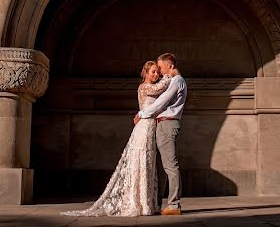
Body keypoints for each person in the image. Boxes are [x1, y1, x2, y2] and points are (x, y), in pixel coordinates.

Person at [62, 60, 171, 217]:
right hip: (144, 128)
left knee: (147, 163)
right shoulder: (145, 87)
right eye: (153, 71)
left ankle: (145, 202)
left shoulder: (151, 88)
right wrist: (169, 75)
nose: (156, 74)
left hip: (150, 127)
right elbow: (160, 87)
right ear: (145, 73)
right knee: (141, 161)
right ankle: (137, 202)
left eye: (157, 72)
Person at [135, 53, 187, 216]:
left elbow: (161, 101)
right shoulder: (173, 81)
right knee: (159, 166)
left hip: (167, 123)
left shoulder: (176, 81)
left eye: (161, 68)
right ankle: (156, 202)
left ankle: (174, 204)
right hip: (161, 124)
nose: (160, 72)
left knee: (170, 165)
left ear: (170, 66)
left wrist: (142, 113)